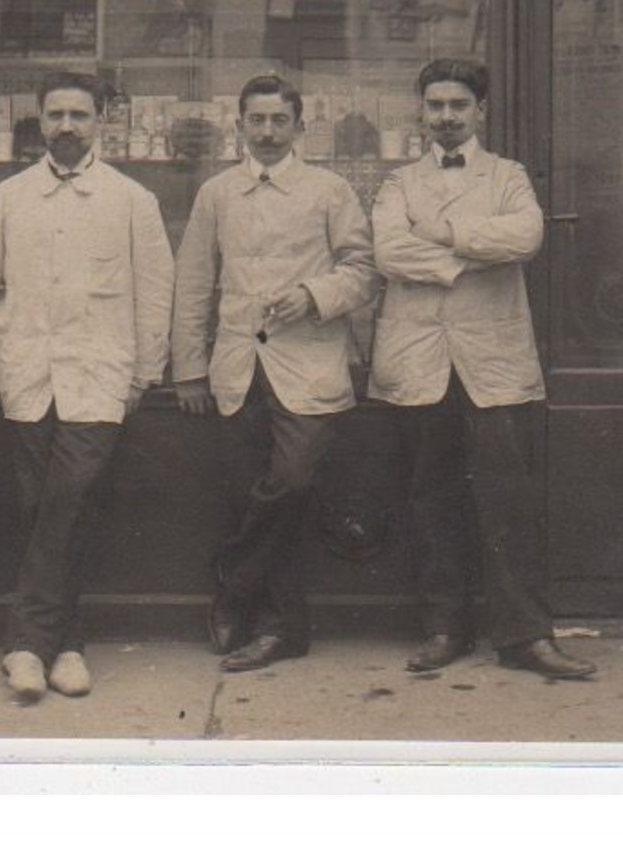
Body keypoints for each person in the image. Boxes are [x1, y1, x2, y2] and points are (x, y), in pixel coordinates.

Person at [369, 58, 597, 680]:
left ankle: (525, 637)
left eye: (458, 106)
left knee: (509, 501)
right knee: (431, 498)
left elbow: (524, 238)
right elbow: (388, 250)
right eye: (436, 105)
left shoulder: (508, 176)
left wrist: (440, 232)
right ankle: (445, 628)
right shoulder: (398, 183)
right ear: (421, 111)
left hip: (492, 361)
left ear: (480, 113)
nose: (446, 117)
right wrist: (468, 254)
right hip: (419, 359)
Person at [0, 72, 174, 702]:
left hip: (100, 372)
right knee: (43, 508)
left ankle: (25, 643)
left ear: (101, 121)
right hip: (23, 371)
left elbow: (154, 290)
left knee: (69, 496)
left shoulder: (132, 200)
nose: (67, 126)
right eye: (55, 113)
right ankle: (69, 645)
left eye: (79, 115)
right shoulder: (5, 199)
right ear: (38, 120)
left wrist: (144, 371)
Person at [171, 75, 380, 671]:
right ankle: (280, 628)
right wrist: (188, 369)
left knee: (290, 482)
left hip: (307, 362)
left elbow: (364, 271)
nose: (267, 132)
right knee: (249, 496)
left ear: (299, 128)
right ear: (239, 126)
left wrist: (315, 294)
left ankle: (233, 581)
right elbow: (193, 283)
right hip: (238, 363)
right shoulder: (217, 193)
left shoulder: (328, 190)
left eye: (278, 121)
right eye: (256, 121)